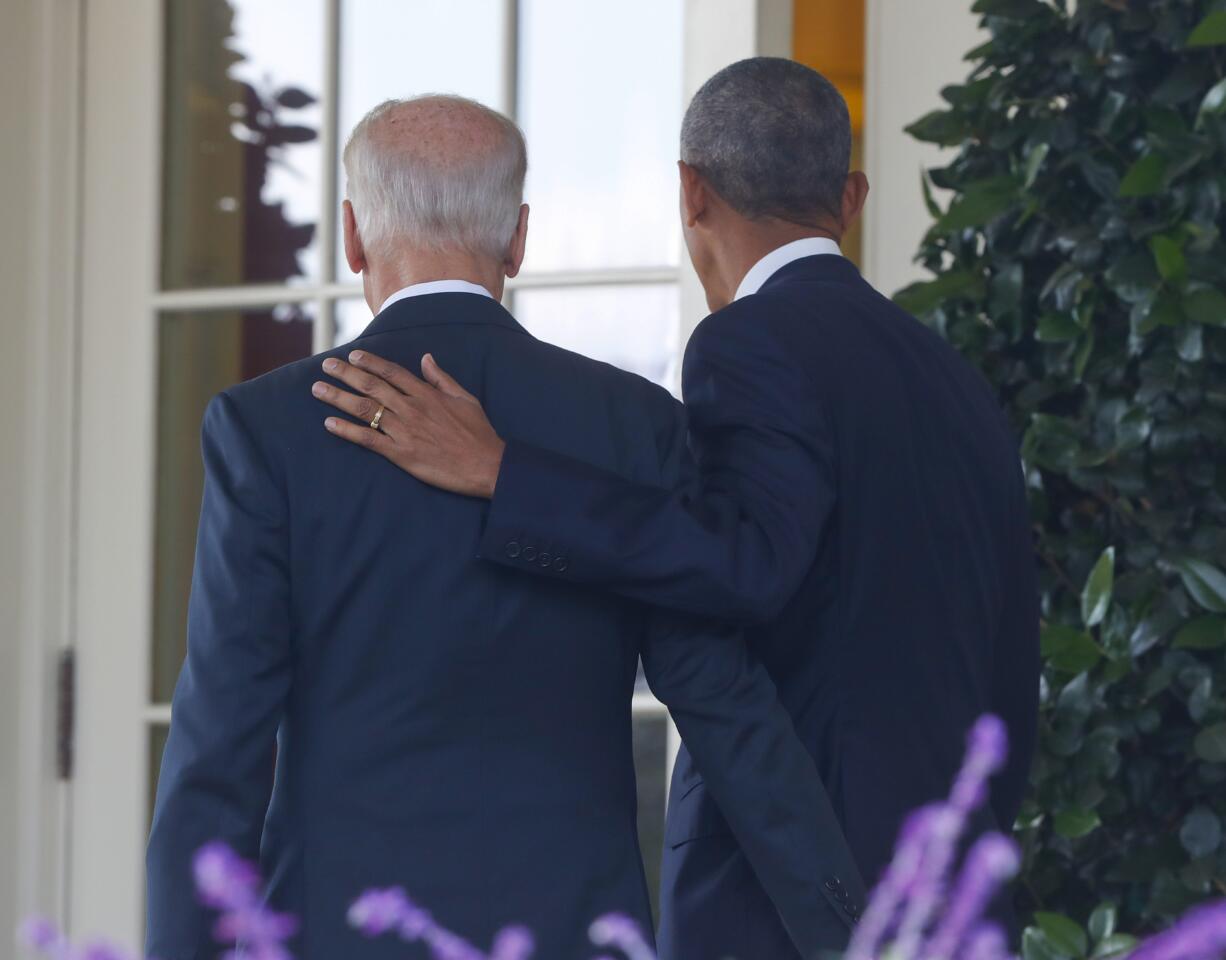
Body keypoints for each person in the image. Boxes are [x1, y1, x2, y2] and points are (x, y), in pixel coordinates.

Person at [315, 57, 1042, 947]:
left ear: (690, 193)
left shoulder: (751, 342)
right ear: (850, 198)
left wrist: (508, 474)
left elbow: (742, 567)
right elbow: (1012, 656)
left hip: (797, 893)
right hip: (961, 883)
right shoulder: (955, 379)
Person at [146, 94, 862, 960]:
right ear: (519, 238)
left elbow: (218, 753)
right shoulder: (632, 425)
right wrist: (854, 928)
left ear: (353, 235)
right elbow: (723, 704)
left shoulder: (268, 430)